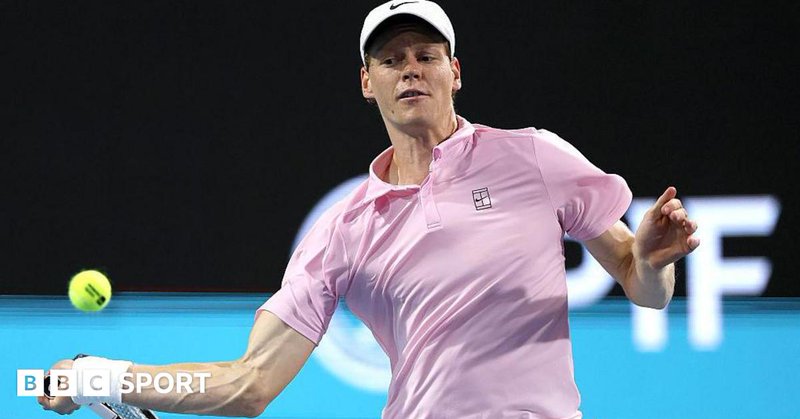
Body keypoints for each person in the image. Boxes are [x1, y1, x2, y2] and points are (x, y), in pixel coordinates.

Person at [39, 1, 700, 418]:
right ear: (367, 81)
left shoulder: (533, 157)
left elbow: (645, 290)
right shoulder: (343, 232)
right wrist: (107, 375)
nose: (409, 68)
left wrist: (648, 259)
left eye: (425, 55)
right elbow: (249, 385)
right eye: (390, 59)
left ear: (455, 71)